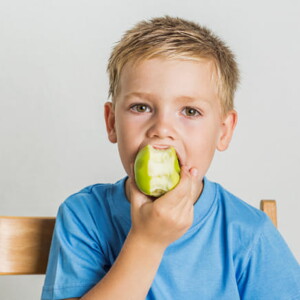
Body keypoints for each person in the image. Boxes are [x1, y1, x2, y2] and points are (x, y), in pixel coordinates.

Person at [41, 16, 300, 300]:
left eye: (190, 111)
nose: (162, 129)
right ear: (112, 122)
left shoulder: (249, 234)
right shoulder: (84, 216)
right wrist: (146, 241)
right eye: (141, 107)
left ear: (223, 132)